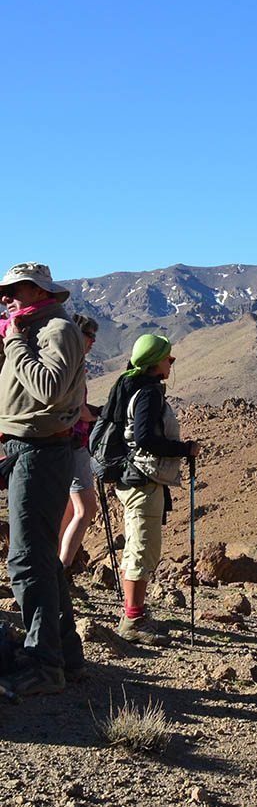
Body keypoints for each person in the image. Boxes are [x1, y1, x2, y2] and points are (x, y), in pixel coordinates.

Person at [0, 262, 86, 695]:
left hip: (41, 452)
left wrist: (14, 341)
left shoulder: (55, 330)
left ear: (38, 290)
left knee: (27, 559)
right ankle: (64, 654)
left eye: (15, 290)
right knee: (38, 558)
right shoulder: (31, 327)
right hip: (21, 447)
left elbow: (48, 388)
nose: (6, 297)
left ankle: (44, 663)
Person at [112, 334, 199, 645]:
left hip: (138, 479)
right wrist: (184, 449)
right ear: (155, 361)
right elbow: (147, 439)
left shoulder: (136, 388)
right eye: (169, 358)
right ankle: (132, 621)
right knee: (142, 548)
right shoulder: (147, 394)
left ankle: (136, 613)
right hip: (142, 480)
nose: (171, 363)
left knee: (141, 545)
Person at [59, 314, 101, 571]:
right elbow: (77, 409)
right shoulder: (72, 366)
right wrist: (99, 414)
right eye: (89, 336)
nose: (93, 342)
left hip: (63, 443)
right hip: (74, 443)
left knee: (67, 507)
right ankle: (62, 569)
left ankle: (54, 565)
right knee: (86, 508)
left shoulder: (62, 363)